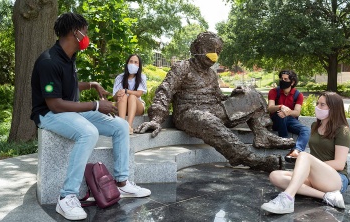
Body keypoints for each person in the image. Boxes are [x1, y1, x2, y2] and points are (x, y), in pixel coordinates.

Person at [30, 12, 150, 221]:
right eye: (85, 32)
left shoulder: (69, 57)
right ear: (74, 32)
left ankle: (122, 183)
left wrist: (92, 84)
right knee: (88, 132)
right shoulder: (48, 61)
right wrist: (95, 105)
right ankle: (67, 197)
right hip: (49, 114)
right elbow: (54, 103)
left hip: (70, 110)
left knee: (120, 126)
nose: (87, 36)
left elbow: (66, 85)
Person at [136, 31, 295, 172]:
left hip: (213, 110)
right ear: (197, 49)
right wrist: (156, 119)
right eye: (210, 50)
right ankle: (251, 159)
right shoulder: (182, 67)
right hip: (189, 114)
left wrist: (235, 96)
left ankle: (263, 135)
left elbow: (218, 97)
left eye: (217, 51)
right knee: (205, 119)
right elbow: (165, 91)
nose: (214, 55)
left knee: (251, 94)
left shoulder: (211, 74)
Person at [261, 91, 350, 214]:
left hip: (336, 179)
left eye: (322, 105)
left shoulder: (343, 130)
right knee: (275, 176)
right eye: (317, 103)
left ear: (334, 108)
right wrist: (306, 165)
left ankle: (287, 199)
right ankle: (327, 196)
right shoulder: (315, 125)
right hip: (316, 178)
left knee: (304, 156)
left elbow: (340, 164)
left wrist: (309, 165)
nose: (318, 107)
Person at [267, 70, 310, 162]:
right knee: (280, 115)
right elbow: (270, 108)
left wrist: (288, 112)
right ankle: (285, 141)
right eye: (281, 79)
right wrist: (280, 106)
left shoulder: (298, 95)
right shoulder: (273, 92)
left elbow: (297, 112)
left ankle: (296, 150)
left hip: (290, 120)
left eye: (285, 79)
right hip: (276, 120)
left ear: (292, 82)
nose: (282, 80)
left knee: (306, 130)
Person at [112, 54, 147, 134]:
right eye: (131, 61)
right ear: (127, 63)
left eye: (136, 62)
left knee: (132, 96)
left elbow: (139, 93)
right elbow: (114, 97)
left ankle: (129, 126)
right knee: (123, 96)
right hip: (122, 105)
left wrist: (126, 91)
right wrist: (119, 93)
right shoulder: (119, 78)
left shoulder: (142, 77)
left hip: (137, 106)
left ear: (139, 65)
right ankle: (121, 125)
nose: (133, 64)